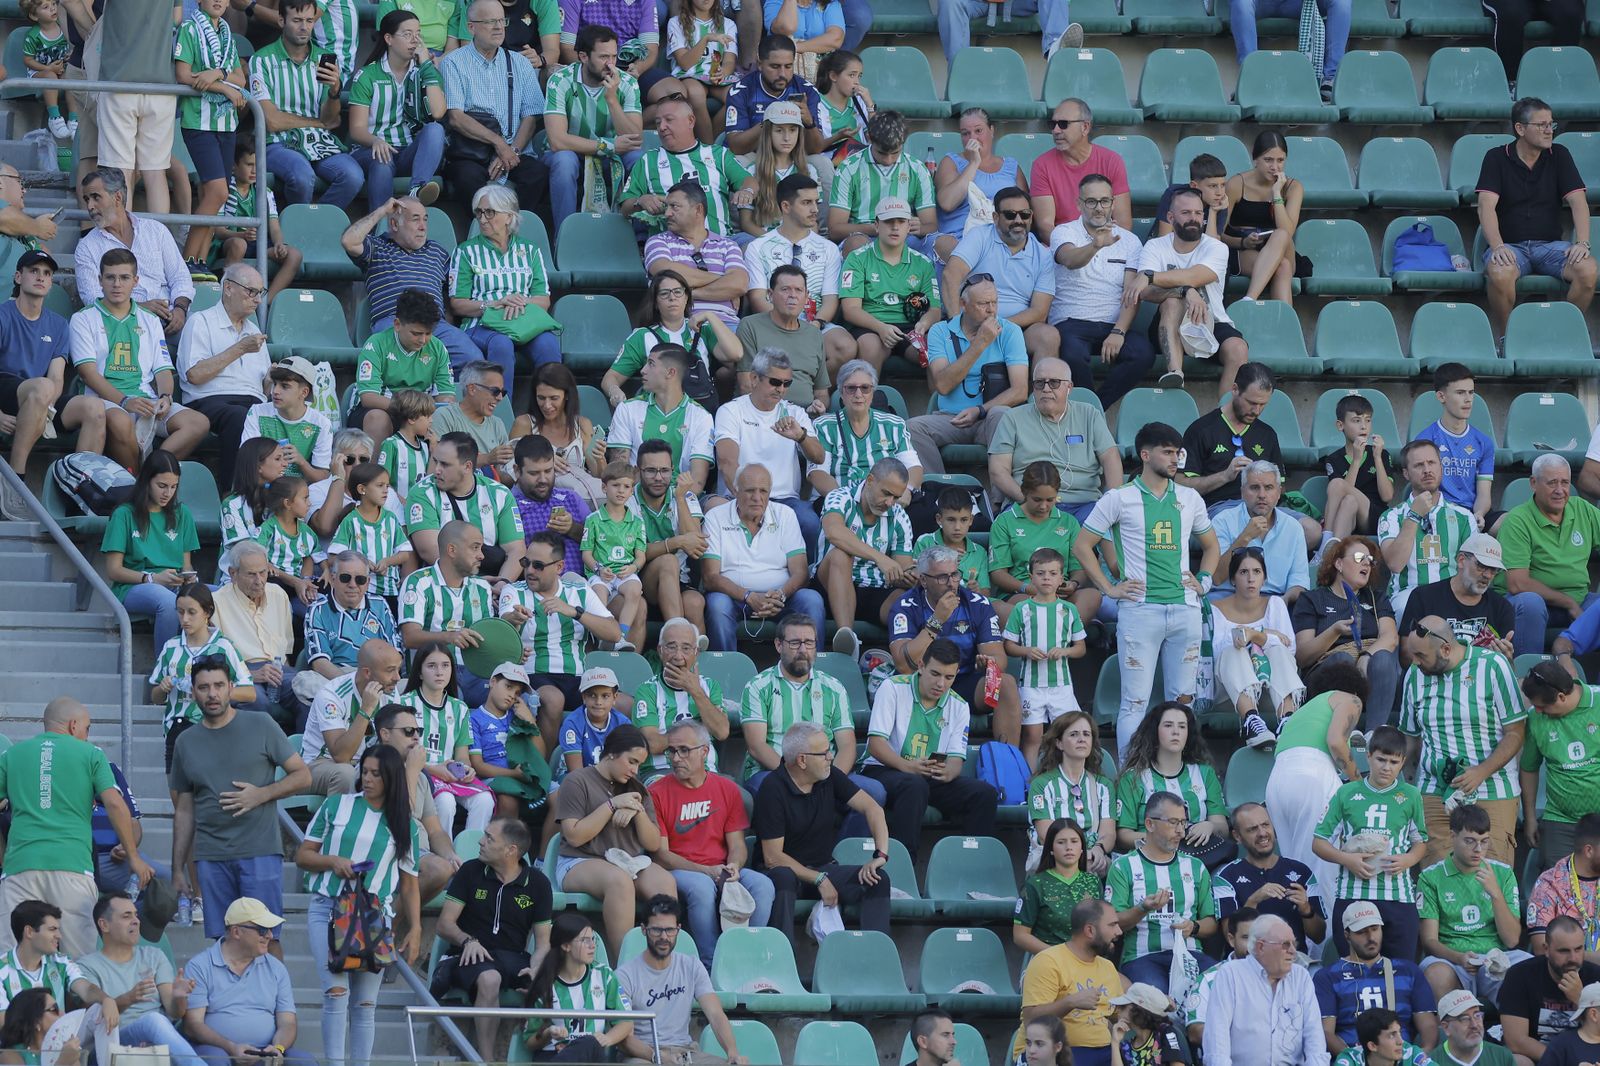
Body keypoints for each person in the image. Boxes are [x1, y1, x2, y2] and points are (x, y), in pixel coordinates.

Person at [1075, 421, 1220, 756]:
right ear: (1145, 454)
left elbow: (1212, 546)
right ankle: (1130, 777)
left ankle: (1176, 774)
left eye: (1177, 452)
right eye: (1167, 452)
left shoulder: (1190, 497)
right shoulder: (1119, 498)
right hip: (1141, 611)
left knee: (1182, 705)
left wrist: (1206, 581)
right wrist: (1109, 589)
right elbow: (1083, 545)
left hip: (1185, 609)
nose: (1175, 459)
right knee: (1134, 702)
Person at [296, 746, 422, 1066]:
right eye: (364, 771)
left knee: (365, 1005)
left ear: (391, 777)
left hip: (375, 916)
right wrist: (333, 861)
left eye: (375, 773)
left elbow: (409, 881)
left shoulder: (404, 823)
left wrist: (417, 928)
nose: (367, 778)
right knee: (336, 994)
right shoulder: (336, 805)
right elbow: (303, 856)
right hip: (328, 908)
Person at [171, 656, 309, 947]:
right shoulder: (185, 741)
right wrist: (176, 870)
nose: (212, 694)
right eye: (204, 687)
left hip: (258, 850)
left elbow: (302, 776)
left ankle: (275, 995)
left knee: (266, 940)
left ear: (232, 687)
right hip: (210, 856)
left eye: (219, 685)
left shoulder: (261, 724)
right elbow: (184, 811)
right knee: (224, 944)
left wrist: (261, 794)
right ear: (193, 692)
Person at [0, 698, 149, 959]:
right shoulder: (91, 753)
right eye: (87, 728)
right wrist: (133, 857)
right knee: (80, 961)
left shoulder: (12, 755)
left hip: (19, 867)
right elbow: (114, 804)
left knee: (12, 961)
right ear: (73, 725)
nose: (87, 735)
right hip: (73, 868)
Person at [1399, 614, 1527, 867]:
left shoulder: (1493, 666)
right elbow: (1409, 741)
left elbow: (1516, 732)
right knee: (1437, 879)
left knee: (1491, 882)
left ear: (1446, 649)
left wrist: (1481, 771)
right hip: (1434, 792)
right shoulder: (1414, 674)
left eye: (1421, 656)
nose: (1415, 662)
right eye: (1413, 655)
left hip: (1493, 789)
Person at [648, 720, 775, 967]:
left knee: (763, 885)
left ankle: (746, 959)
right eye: (671, 751)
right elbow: (662, 854)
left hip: (719, 867)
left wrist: (734, 866)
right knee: (702, 888)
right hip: (680, 870)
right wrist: (706, 871)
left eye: (684, 750)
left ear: (704, 752)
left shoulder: (726, 788)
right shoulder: (657, 792)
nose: (676, 758)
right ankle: (711, 963)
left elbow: (737, 844)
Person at [751, 721, 892, 941]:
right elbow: (772, 857)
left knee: (878, 879)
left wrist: (880, 855)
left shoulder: (829, 777)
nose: (830, 757)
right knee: (783, 876)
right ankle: (782, 960)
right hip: (786, 875)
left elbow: (872, 808)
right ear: (802, 760)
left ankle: (874, 957)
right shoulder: (772, 789)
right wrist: (819, 879)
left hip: (823, 868)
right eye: (824, 753)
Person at [72, 250, 210, 467]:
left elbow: (163, 370)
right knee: (120, 420)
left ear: (135, 281)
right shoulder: (83, 318)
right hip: (106, 401)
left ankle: (152, 472)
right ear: (100, 280)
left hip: (146, 399)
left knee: (198, 422)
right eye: (110, 277)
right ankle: (138, 480)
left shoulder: (150, 320)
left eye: (124, 277)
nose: (117, 284)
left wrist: (165, 396)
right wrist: (125, 401)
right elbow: (88, 374)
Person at [861, 638, 998, 855]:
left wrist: (948, 772)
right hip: (885, 769)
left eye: (949, 677)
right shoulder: (893, 688)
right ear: (921, 666)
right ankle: (903, 864)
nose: (941, 684)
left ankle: (973, 867)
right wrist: (907, 766)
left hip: (926, 776)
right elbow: (875, 745)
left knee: (984, 794)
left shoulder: (959, 705)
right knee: (914, 785)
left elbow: (955, 760)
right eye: (935, 674)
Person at [552, 725, 678, 961]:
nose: (634, 769)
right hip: (580, 860)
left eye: (639, 764)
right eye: (631, 761)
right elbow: (574, 835)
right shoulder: (577, 781)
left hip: (628, 861)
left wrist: (638, 811)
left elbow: (652, 844)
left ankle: (660, 962)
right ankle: (627, 965)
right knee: (619, 882)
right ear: (611, 753)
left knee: (665, 882)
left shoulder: (637, 789)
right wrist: (612, 806)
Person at [433, 817, 551, 1061]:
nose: (481, 841)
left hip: (513, 958)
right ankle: (485, 1060)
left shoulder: (538, 884)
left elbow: (543, 943)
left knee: (549, 979)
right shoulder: (470, 871)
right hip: (467, 955)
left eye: (489, 837)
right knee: (489, 978)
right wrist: (468, 940)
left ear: (511, 851)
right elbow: (444, 925)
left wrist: (536, 967)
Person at [1478, 98, 1593, 340]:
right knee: (1500, 272)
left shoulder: (1559, 154)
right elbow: (1486, 205)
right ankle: (1509, 338)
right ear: (1520, 129)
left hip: (1551, 247)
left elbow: (1578, 201)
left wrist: (1582, 242)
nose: (1549, 130)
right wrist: (1497, 246)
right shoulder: (1496, 157)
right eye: (1541, 125)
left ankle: (1561, 337)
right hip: (1510, 246)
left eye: (1551, 124)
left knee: (1588, 270)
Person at [1313, 725, 1429, 961]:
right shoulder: (1346, 793)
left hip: (1398, 898)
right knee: (1355, 971)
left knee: (1400, 972)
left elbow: (1421, 843)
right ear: (1368, 756)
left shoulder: (1411, 795)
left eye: (1394, 762)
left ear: (1403, 761)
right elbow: (1319, 842)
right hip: (1352, 895)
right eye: (1381, 759)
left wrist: (1408, 859)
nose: (1387, 767)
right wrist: (1347, 859)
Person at [739, 613, 880, 807]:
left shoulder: (834, 687)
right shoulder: (758, 687)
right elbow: (757, 746)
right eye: (795, 643)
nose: (803, 650)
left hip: (825, 773)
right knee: (768, 790)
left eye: (809, 642)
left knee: (875, 793)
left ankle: (842, 839)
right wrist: (797, 779)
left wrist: (830, 781)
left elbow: (847, 746)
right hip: (774, 772)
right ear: (779, 645)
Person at [498, 530, 622, 750]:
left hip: (577, 678)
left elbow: (614, 633)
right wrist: (515, 619)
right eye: (526, 562)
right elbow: (505, 624)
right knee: (553, 699)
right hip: (532, 675)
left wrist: (575, 612)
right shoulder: (513, 591)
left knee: (625, 704)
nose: (529, 570)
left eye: (538, 565)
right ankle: (544, 775)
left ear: (559, 567)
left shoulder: (580, 591)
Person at [1128, 187, 1250, 399]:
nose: (1193, 218)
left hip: (1211, 320)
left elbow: (1196, 276)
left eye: (1198, 213)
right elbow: (1145, 292)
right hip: (1169, 323)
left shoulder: (1216, 247)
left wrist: (1151, 276)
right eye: (1186, 213)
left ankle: (1223, 415)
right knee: (1172, 303)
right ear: (1170, 216)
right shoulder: (1155, 246)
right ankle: (1175, 373)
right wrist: (1185, 291)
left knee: (1238, 349)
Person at [1264, 661, 1367, 910]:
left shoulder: (1303, 711)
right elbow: (1335, 742)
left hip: (1277, 780)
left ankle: (1296, 942)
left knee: (1294, 872)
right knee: (1323, 871)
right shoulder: (1350, 700)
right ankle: (1324, 947)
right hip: (1312, 776)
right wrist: (1358, 785)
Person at [1049, 176, 1156, 414]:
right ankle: (1090, 413)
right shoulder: (1064, 231)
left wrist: (1119, 331)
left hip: (1111, 323)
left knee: (1143, 353)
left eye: (1105, 201)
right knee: (1072, 354)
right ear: (1079, 204)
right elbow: (1069, 260)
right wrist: (1095, 245)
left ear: (1113, 203)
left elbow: (1131, 292)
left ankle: (1094, 410)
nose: (1099, 207)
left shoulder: (1128, 240)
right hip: (1071, 321)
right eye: (1091, 201)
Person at [906, 273, 1028, 479]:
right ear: (963, 304)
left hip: (989, 418)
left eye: (995, 302)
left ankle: (1000, 503)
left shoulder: (1010, 331)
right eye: (983, 304)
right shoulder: (940, 331)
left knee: (1001, 414)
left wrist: (980, 411)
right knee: (912, 428)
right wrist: (980, 343)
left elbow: (1020, 391)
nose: (992, 310)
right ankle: (938, 491)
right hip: (950, 419)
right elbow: (942, 386)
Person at [341, 196, 483, 373]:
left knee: (474, 361)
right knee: (402, 369)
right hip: (395, 323)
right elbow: (349, 241)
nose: (423, 227)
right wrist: (382, 211)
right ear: (394, 225)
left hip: (435, 325)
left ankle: (442, 397)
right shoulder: (376, 247)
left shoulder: (437, 251)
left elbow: (454, 291)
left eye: (425, 219)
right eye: (415, 219)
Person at [439, 0, 550, 218]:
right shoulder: (453, 62)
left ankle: (515, 229)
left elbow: (531, 115)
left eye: (502, 20)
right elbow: (456, 117)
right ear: (471, 27)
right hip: (471, 152)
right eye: (490, 22)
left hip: (513, 150)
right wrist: (499, 143)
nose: (499, 27)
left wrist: (512, 150)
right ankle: (483, 232)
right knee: (466, 177)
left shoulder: (520, 63)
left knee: (537, 173)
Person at [249, 0, 363, 208]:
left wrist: (335, 91)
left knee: (353, 176)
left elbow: (328, 119)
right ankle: (293, 232)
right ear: (282, 21)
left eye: (310, 20)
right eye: (297, 20)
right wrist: (316, 122)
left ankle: (313, 225)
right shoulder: (261, 59)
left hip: (317, 141)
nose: (304, 27)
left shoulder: (324, 59)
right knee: (302, 176)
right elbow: (272, 121)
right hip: (277, 142)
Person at [701, 463, 825, 651]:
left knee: (811, 599)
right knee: (717, 605)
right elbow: (710, 577)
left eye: (763, 491)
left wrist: (781, 594)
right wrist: (748, 596)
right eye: (750, 491)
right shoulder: (716, 517)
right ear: (735, 491)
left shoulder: (785, 515)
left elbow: (800, 572)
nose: (757, 498)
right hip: (735, 598)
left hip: (780, 598)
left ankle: (813, 672)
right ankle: (725, 672)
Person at [0, 251, 102, 477]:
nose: (41, 277)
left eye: (47, 273)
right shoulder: (2, 315)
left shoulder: (58, 324)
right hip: (6, 388)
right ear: (18, 277)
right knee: (43, 387)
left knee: (94, 408)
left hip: (42, 398)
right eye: (34, 271)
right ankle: (16, 480)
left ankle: (78, 488)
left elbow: (57, 377)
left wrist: (46, 409)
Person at [1107, 791, 1219, 992]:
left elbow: (1211, 924)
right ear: (1149, 824)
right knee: (1155, 998)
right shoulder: (1123, 867)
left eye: (1183, 823)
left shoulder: (1195, 867)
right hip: (1143, 957)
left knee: (1219, 983)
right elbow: (1112, 924)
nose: (1181, 832)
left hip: (1190, 954)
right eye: (1173, 822)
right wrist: (1142, 908)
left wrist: (1192, 927)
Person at [1418, 803, 1530, 1004]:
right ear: (1452, 837)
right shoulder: (1430, 877)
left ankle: (1514, 1033)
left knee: (1531, 968)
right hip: (1453, 960)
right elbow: (1429, 941)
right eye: (1470, 841)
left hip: (1497, 956)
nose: (1478, 849)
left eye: (1484, 841)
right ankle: (1451, 1033)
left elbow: (1512, 940)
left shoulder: (1502, 873)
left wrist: (1495, 893)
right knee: (1435, 972)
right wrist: (1459, 957)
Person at [452, 184, 562, 389]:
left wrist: (519, 301)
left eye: (490, 212)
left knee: (548, 345)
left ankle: (548, 416)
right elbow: (458, 304)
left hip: (524, 323)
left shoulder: (530, 250)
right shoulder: (466, 252)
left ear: (509, 217)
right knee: (501, 343)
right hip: (482, 325)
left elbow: (543, 300)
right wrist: (495, 303)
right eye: (479, 212)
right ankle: (502, 415)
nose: (482, 219)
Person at [616, 896, 747, 1066]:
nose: (664, 937)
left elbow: (715, 1015)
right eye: (656, 930)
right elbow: (624, 1038)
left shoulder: (691, 966)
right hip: (644, 1055)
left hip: (686, 1052)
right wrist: (658, 1057)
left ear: (678, 929)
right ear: (643, 929)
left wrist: (732, 1052)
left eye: (670, 930)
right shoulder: (625, 975)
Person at [743, 177, 853, 377]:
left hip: (814, 324)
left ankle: (810, 388)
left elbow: (830, 299)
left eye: (816, 202)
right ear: (786, 206)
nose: (815, 210)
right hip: (772, 323)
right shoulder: (758, 247)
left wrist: (814, 325)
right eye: (806, 203)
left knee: (845, 347)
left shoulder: (828, 249)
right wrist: (787, 326)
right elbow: (758, 298)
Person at [712, 348, 824, 544]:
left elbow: (819, 457)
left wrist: (801, 437)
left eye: (786, 383)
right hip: (739, 496)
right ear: (754, 378)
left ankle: (809, 575)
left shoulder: (795, 413)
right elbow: (727, 462)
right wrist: (746, 499)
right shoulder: (731, 411)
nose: (781, 389)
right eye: (775, 382)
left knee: (811, 524)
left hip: (785, 500)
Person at [78, 894, 205, 1066]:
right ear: (104, 924)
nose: (136, 921)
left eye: (136, 915)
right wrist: (128, 999)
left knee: (155, 1023)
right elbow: (93, 1017)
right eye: (126, 916)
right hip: (110, 1044)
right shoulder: (86, 966)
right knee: (153, 1021)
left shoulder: (154, 956)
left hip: (156, 1043)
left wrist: (179, 996)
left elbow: (175, 1012)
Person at [182, 899, 310, 1066]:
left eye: (270, 929)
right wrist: (231, 1047)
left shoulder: (276, 968)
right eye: (263, 930)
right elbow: (193, 1024)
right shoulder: (200, 966)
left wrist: (278, 1048)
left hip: (266, 1052)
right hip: (220, 1051)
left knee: (303, 1061)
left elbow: (287, 1022)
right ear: (236, 932)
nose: (270, 935)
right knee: (215, 1059)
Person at [989, 360, 1122, 522]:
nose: (1046, 389)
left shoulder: (1089, 414)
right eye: (1039, 383)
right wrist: (1029, 501)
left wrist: (1111, 502)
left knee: (1105, 526)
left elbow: (1111, 457)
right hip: (1029, 502)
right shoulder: (1012, 418)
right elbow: (998, 470)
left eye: (1054, 383)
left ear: (1069, 387)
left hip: (1083, 504)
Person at [1292, 536, 1402, 729]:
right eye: (1360, 557)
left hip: (1370, 670)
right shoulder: (1311, 599)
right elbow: (1303, 656)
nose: (1367, 563)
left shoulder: (1377, 599)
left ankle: (1373, 736)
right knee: (1342, 660)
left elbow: (1390, 637)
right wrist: (1333, 632)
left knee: (1384, 657)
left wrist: (1366, 656)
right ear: (1339, 563)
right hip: (1327, 671)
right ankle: (1342, 733)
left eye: (1370, 560)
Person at [73, 170, 194, 340]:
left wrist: (181, 310)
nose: (90, 206)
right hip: (124, 325)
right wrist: (139, 308)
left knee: (200, 332)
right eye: (87, 199)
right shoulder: (87, 247)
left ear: (117, 197)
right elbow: (93, 299)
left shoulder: (156, 230)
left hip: (171, 319)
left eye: (96, 197)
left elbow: (180, 277)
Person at [347, 10, 447, 214]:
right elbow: (356, 129)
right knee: (382, 160)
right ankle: (380, 226)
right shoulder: (368, 75)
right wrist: (376, 141)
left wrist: (427, 63)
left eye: (418, 34)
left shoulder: (425, 70)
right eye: (407, 34)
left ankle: (415, 192)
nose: (415, 40)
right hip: (371, 151)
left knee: (435, 130)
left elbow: (438, 113)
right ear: (389, 39)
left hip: (407, 152)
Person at [100, 452, 201, 652]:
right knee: (169, 602)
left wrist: (189, 578)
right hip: (134, 586)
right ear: (146, 481)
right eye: (162, 486)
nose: (168, 493)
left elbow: (186, 564)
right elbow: (113, 570)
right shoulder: (124, 514)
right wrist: (152, 578)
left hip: (173, 583)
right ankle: (164, 670)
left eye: (174, 487)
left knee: (220, 596)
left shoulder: (182, 513)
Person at [1501, 454, 1600, 658]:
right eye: (1552, 482)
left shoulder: (1582, 509)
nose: (1560, 490)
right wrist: (1568, 603)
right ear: (1533, 483)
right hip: (1532, 604)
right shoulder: (1517, 520)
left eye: (1565, 482)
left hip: (1580, 599)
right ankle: (1529, 675)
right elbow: (1517, 584)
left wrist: (1573, 603)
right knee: (1530, 603)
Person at [175, 263, 268, 479]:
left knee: (293, 415)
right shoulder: (201, 321)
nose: (258, 300)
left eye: (260, 293)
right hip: (209, 400)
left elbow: (264, 385)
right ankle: (232, 493)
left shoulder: (254, 331)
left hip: (253, 402)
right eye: (251, 291)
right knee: (240, 417)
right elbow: (195, 375)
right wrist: (240, 348)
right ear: (228, 288)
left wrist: (275, 378)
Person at [1114, 701, 1232, 867]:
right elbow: (1123, 835)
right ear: (1155, 732)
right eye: (1168, 725)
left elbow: (1222, 827)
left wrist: (1210, 826)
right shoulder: (1133, 778)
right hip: (1149, 861)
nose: (1176, 731)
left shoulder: (1205, 773)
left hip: (1200, 859)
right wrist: (1159, 838)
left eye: (1182, 726)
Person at [1000, 546, 1088, 766]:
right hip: (1031, 685)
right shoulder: (1021, 608)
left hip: (1062, 686)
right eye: (1040, 574)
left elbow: (1080, 648)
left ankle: (1067, 778)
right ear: (1031, 578)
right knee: (1032, 737)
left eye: (1052, 573)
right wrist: (1026, 651)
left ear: (1061, 578)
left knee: (1069, 735)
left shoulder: (1069, 609)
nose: (1046, 578)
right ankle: (1030, 785)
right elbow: (1009, 646)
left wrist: (1065, 650)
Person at [620, 96, 754, 239]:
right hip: (670, 246)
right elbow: (625, 207)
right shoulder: (648, 160)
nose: (662, 127)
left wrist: (747, 191)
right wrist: (640, 201)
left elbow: (748, 181)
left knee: (753, 248)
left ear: (691, 121)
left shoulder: (719, 155)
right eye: (658, 122)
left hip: (723, 242)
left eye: (669, 120)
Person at [606, 270, 740, 413]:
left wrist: (710, 316)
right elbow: (611, 377)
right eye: (664, 293)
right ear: (656, 302)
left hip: (699, 413)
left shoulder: (703, 330)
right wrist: (614, 391)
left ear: (686, 297)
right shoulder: (642, 336)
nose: (672, 297)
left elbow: (736, 354)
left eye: (678, 292)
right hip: (655, 412)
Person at [1314, 900, 1439, 1053]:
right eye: (1361, 932)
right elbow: (1326, 1033)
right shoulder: (1328, 977)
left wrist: (1417, 1059)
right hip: (1352, 1057)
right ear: (1347, 935)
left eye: (1375, 929)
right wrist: (1355, 1062)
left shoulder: (1408, 970)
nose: (1371, 937)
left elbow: (1429, 1026)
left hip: (1401, 1057)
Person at [819, 457, 917, 653]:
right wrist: (880, 557)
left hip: (875, 588)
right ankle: (847, 641)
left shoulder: (899, 516)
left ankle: (904, 658)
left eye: (896, 497)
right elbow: (833, 531)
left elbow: (902, 566)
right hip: (830, 583)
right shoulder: (840, 497)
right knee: (841, 555)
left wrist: (909, 576)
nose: (890, 502)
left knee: (905, 600)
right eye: (886, 493)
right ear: (870, 480)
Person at [1202, 913, 1327, 1066]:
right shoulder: (1231, 974)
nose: (1293, 952)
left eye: (1294, 944)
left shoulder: (1300, 976)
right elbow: (1217, 1042)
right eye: (1285, 945)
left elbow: (1315, 1039)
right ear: (1261, 947)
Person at [1211, 547, 1305, 746]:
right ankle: (1251, 721)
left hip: (1271, 691)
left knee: (1278, 651)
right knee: (1233, 651)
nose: (1250, 579)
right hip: (1230, 694)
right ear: (1233, 579)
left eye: (1256, 572)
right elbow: (1219, 652)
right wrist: (1266, 635)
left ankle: (1288, 719)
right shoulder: (1216, 609)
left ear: (1264, 578)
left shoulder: (1275, 604)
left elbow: (1289, 649)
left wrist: (1254, 635)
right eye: (1243, 572)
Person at [1017, 897, 1127, 1066]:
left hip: (1104, 1051)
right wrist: (1070, 1002)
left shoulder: (1107, 967)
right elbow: (1031, 1021)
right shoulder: (1048, 961)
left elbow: (1118, 1015)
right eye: (1112, 925)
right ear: (1090, 931)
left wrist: (1151, 1005)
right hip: (1058, 1052)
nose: (1119, 931)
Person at [838, 195, 943, 372]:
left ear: (909, 226)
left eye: (901, 221)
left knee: (935, 351)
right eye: (888, 221)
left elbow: (934, 310)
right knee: (871, 347)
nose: (895, 227)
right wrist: (881, 328)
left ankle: (939, 401)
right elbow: (850, 310)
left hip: (910, 328)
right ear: (877, 225)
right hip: (869, 325)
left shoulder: (923, 263)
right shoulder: (857, 258)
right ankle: (867, 399)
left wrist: (924, 324)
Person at [399, 520, 498, 703]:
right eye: (475, 548)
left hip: (475, 673)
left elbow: (486, 639)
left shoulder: (482, 587)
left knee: (516, 698)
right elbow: (410, 638)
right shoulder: (419, 582)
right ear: (452, 550)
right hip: (431, 672)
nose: (482, 556)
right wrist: (449, 637)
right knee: (454, 700)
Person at [406, 435, 526, 584]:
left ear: (467, 466)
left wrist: (502, 584)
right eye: (436, 462)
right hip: (445, 585)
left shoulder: (499, 493)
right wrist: (477, 584)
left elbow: (516, 550)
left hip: (495, 583)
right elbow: (430, 551)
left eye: (445, 464)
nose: (436, 470)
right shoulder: (422, 493)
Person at [1377, 440, 1476, 620]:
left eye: (1432, 463)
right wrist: (1414, 514)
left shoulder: (1464, 517)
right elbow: (1395, 564)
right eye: (1419, 465)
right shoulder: (1391, 516)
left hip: (1452, 594)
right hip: (1407, 594)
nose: (1427, 470)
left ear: (1441, 466)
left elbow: (1472, 570)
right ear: (1406, 473)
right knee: (1404, 607)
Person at [1215, 803, 1329, 952]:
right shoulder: (1226, 877)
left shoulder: (1301, 872)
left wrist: (1306, 909)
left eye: (1265, 825)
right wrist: (1253, 901)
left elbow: (1319, 936)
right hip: (1248, 964)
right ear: (1237, 836)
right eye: (1252, 829)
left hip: (1294, 964)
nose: (1262, 833)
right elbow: (1229, 936)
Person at [520, 912, 633, 1061]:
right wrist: (548, 1033)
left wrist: (608, 1039)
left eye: (592, 940)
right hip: (553, 1055)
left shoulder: (604, 975)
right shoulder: (545, 983)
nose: (592, 945)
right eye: (585, 940)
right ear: (566, 945)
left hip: (592, 1055)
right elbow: (529, 1041)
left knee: (589, 1042)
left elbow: (626, 1020)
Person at [214, 542, 304, 728]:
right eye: (251, 574)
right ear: (233, 574)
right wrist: (251, 674)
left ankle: (305, 754)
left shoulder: (279, 594)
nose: (259, 580)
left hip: (279, 669)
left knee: (308, 691)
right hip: (240, 672)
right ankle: (258, 756)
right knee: (255, 700)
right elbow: (216, 660)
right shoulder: (217, 602)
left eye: (263, 572)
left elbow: (286, 649)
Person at [300, 638, 407, 794]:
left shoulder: (389, 691)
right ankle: (339, 818)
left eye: (398, 669)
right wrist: (366, 709)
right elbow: (341, 756)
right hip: (321, 763)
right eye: (390, 670)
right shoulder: (331, 695)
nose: (397, 677)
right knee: (346, 774)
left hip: (365, 762)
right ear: (367, 672)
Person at [806, 358, 920, 501]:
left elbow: (914, 467)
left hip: (888, 501)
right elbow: (817, 473)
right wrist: (846, 501)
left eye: (865, 388)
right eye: (851, 388)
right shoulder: (823, 425)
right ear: (841, 392)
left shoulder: (894, 424)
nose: (858, 394)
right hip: (839, 500)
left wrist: (906, 491)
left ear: (873, 392)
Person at [1519, 665, 1600, 866]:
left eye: (1543, 707)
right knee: (1557, 887)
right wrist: (1530, 818)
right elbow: (1529, 768)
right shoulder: (1535, 718)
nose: (1537, 711)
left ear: (1562, 697)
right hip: (1560, 819)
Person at [608, 344, 716, 494]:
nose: (643, 370)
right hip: (634, 498)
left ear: (670, 372)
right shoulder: (627, 409)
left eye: (651, 364)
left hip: (681, 500)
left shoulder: (701, 417)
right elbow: (619, 472)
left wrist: (669, 504)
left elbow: (697, 482)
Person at [1181, 362, 1285, 514]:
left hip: (1263, 509)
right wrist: (1225, 476)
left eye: (1263, 404)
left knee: (1311, 529)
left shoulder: (1267, 434)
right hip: (1218, 508)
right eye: (1251, 403)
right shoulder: (1201, 430)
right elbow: (1180, 486)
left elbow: (1281, 485)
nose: (1257, 410)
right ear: (1235, 389)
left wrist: (1262, 486)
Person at [644, 181, 749, 331]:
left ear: (698, 210)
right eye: (667, 207)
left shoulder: (727, 245)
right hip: (681, 325)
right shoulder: (658, 242)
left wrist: (689, 294)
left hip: (726, 324)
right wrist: (724, 281)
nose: (667, 213)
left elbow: (739, 284)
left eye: (674, 206)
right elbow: (666, 274)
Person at [1219, 131, 1309, 304]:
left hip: (1282, 247)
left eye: (1280, 160)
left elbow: (1287, 231)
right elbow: (1218, 233)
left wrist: (1276, 193)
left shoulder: (1293, 187)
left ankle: (1250, 299)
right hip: (1244, 249)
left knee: (1281, 234)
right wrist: (1243, 242)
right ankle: (1284, 327)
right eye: (1268, 160)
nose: (1275, 167)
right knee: (1282, 267)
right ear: (1255, 160)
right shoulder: (1237, 184)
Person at [828, 111, 936, 253]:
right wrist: (879, 228)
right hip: (864, 237)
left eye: (895, 153)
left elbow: (932, 225)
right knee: (856, 243)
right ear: (869, 138)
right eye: (882, 153)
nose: (888, 160)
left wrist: (920, 228)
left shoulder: (917, 169)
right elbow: (835, 229)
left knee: (942, 243)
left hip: (905, 237)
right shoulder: (848, 168)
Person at [1397, 534, 1516, 663]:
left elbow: (1507, 665)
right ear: (1461, 560)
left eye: (1494, 570)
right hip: (1434, 678)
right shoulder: (1424, 597)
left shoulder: (1501, 607)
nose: (1488, 575)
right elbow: (1406, 654)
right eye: (1481, 566)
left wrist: (1505, 658)